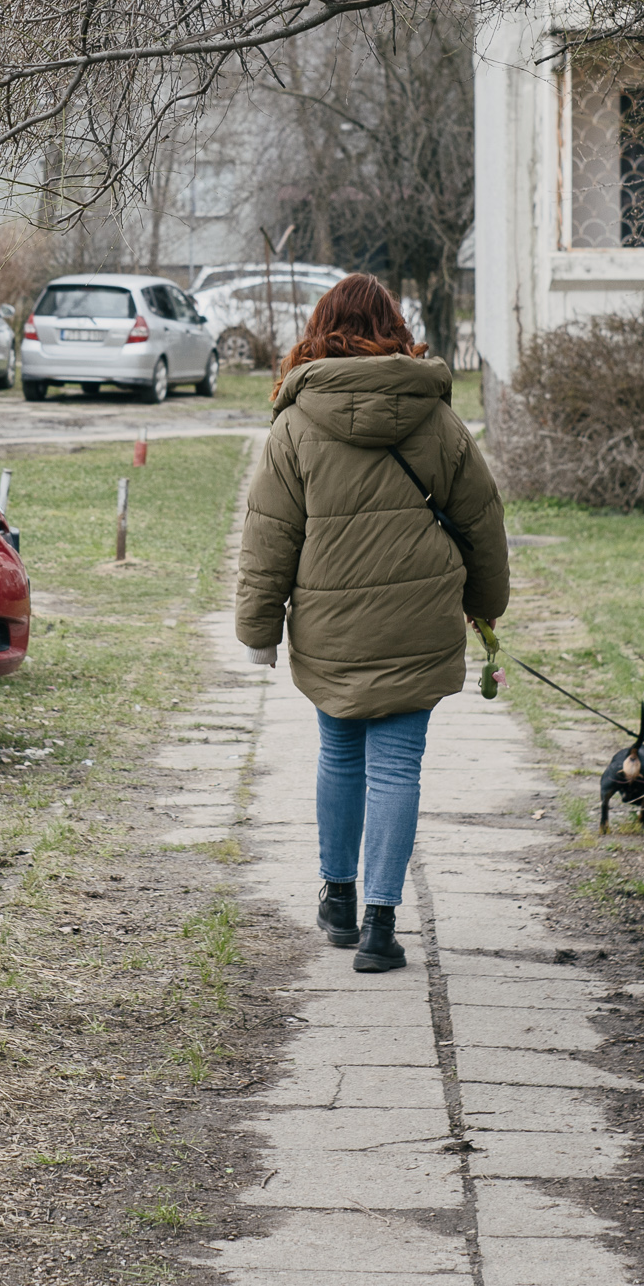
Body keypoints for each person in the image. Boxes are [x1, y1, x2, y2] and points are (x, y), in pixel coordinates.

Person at [234, 273, 509, 973]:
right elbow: (482, 521)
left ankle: (341, 903)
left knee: (339, 755)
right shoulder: (438, 419)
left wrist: (259, 630)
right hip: (420, 623)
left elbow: (270, 536)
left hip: (332, 624)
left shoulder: (295, 425)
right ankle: (383, 928)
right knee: (397, 766)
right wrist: (487, 603)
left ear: (319, 329)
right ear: (394, 326)